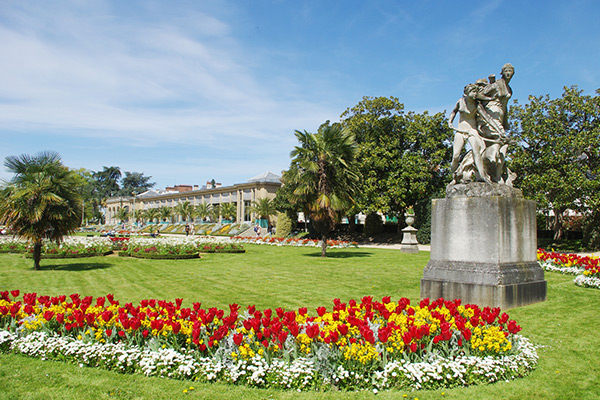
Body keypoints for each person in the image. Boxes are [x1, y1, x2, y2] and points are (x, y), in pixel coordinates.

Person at [448, 83, 492, 183]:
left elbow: (487, 118)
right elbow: (454, 111)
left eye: (476, 92)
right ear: (467, 93)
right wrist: (450, 121)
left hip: (472, 130)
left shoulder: (477, 105)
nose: (475, 94)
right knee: (455, 156)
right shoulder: (460, 102)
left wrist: (499, 130)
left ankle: (482, 176)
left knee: (477, 152)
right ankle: (455, 177)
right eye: (473, 91)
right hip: (461, 130)